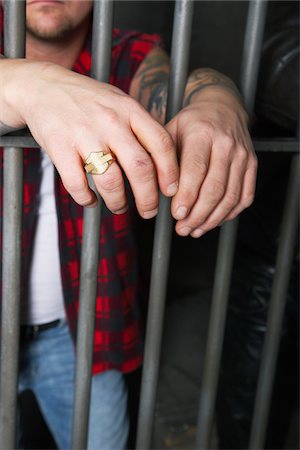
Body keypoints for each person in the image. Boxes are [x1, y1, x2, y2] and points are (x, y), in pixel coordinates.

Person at [0, 1, 257, 448]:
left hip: (82, 334)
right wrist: (30, 84)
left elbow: (177, 87)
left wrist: (218, 103)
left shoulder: (123, 53)